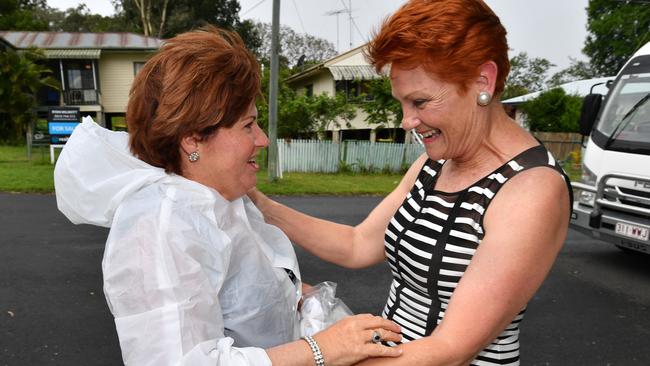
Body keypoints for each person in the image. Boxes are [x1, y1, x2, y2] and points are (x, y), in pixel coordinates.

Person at [54, 26, 403, 366]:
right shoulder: (159, 228)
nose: (263, 139)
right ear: (192, 139)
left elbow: (242, 288)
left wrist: (297, 299)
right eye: (248, 125)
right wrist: (323, 349)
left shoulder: (220, 195)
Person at [248, 1, 573, 365]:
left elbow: (450, 349)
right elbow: (358, 244)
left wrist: (317, 357)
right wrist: (261, 206)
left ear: (483, 81)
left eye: (420, 101)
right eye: (402, 103)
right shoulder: (433, 164)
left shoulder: (532, 190)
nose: (407, 121)